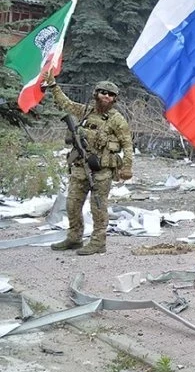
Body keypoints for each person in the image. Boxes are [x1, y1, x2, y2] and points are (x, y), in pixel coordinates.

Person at [42, 74, 134, 256]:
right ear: (95, 94)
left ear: (115, 99)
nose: (106, 96)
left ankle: (98, 242)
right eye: (103, 92)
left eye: (111, 94)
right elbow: (66, 103)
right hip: (80, 167)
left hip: (101, 170)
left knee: (98, 207)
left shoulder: (117, 119)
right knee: (72, 205)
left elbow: (128, 145)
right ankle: (74, 238)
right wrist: (53, 86)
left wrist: (127, 167)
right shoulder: (85, 111)